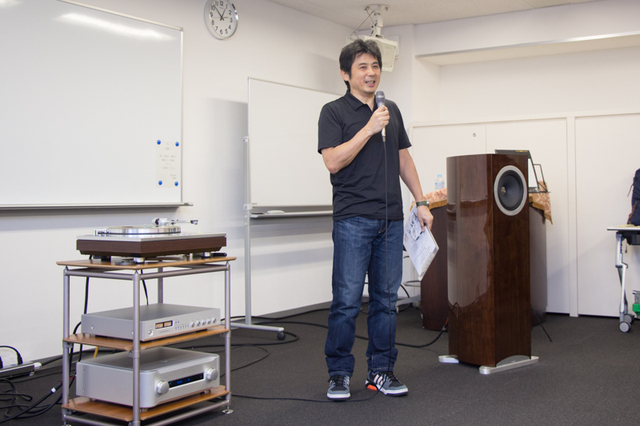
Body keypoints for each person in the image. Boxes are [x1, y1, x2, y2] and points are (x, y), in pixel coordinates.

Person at [318, 39, 433, 401]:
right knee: (347, 301)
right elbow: (333, 161)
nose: (371, 73)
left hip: (391, 220)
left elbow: (403, 160)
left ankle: (381, 371)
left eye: (375, 66)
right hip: (353, 220)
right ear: (345, 74)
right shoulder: (333, 112)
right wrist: (368, 128)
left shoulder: (390, 109)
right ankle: (338, 374)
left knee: (386, 301)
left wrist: (421, 201)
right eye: (363, 67)